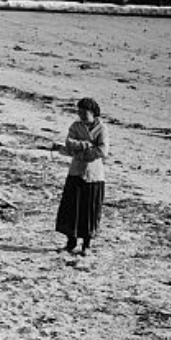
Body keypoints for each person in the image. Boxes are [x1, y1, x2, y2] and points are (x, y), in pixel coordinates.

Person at [55, 98, 108, 256]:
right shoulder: (75, 126)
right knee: (72, 209)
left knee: (89, 211)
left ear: (93, 112)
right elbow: (69, 143)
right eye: (79, 112)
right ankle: (71, 242)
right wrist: (86, 145)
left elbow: (103, 151)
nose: (81, 115)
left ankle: (86, 245)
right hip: (76, 172)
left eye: (84, 112)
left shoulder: (102, 128)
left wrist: (82, 153)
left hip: (94, 175)